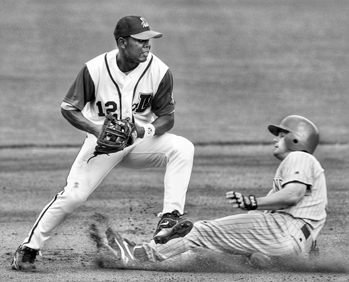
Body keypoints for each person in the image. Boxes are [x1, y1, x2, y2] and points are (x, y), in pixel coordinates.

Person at [11, 15, 195, 271]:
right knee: (73, 195)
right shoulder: (95, 69)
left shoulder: (159, 71)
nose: (147, 45)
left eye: (149, 40)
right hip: (102, 146)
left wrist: (143, 130)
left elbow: (167, 118)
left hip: (140, 142)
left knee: (183, 147)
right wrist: (96, 130)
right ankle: (29, 248)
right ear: (122, 42)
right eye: (140, 40)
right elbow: (68, 108)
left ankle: (170, 218)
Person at [96, 115, 327, 268]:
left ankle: (135, 255)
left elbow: (293, 194)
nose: (275, 139)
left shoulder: (299, 157)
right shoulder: (309, 168)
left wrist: (253, 202)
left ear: (296, 139)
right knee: (218, 251)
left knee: (200, 232)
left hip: (282, 232)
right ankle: (266, 260)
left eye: (281, 134)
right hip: (294, 246)